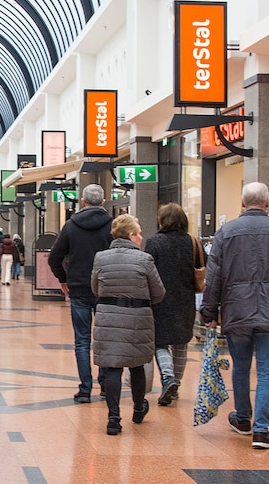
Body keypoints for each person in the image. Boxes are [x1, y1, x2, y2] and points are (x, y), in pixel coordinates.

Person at [200, 182, 269, 450]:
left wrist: (209, 311)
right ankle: (261, 430)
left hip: (237, 310)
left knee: (241, 366)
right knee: (268, 369)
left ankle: (243, 418)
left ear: (242, 202)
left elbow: (214, 277)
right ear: (268, 201)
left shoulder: (226, 232)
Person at [91, 214, 164, 435]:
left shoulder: (100, 258)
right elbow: (159, 292)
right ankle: (139, 408)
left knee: (112, 366)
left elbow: (95, 288)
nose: (142, 237)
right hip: (137, 317)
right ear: (131, 235)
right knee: (137, 364)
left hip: (108, 316)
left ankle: (114, 418)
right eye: (139, 233)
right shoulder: (144, 260)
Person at [48, 183, 114, 403]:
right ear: (103, 202)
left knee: (82, 340)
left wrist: (63, 279)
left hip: (79, 288)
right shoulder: (112, 226)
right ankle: (105, 384)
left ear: (83, 202)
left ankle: (85, 389)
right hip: (106, 288)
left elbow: (54, 258)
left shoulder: (71, 226)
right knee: (105, 337)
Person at [142, 203, 199, 406]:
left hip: (159, 299)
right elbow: (202, 266)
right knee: (181, 343)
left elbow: (147, 270)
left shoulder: (154, 242)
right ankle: (176, 384)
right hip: (185, 299)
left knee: (160, 342)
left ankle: (167, 378)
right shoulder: (192, 242)